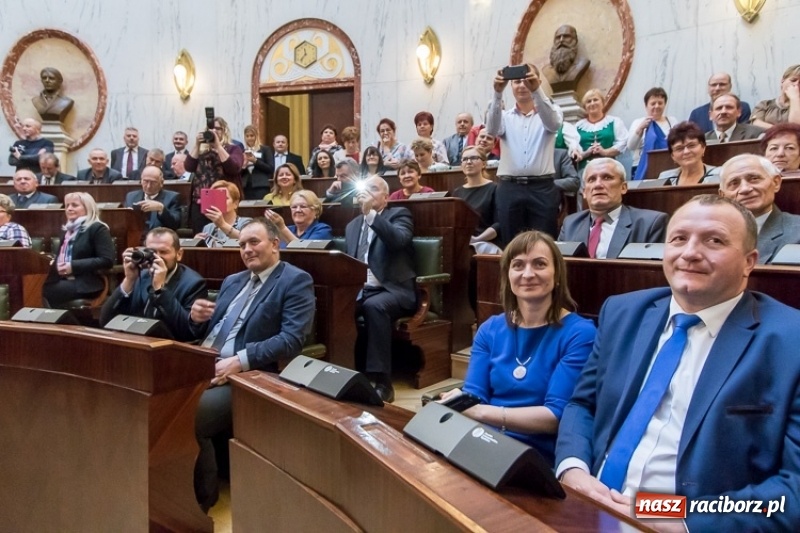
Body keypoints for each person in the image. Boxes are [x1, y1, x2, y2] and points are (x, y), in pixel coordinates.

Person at [555, 194, 800, 532]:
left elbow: (793, 489)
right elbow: (582, 404)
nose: (690, 253)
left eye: (714, 240)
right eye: (679, 239)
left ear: (749, 261)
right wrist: (573, 468)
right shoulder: (623, 313)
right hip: (587, 510)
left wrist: (677, 517)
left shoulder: (790, 340)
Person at [184, 218, 315, 511]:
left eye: (254, 242)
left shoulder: (295, 280)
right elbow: (208, 332)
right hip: (203, 361)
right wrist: (194, 319)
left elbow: (291, 340)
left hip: (251, 376)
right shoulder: (233, 281)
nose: (247, 249)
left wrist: (239, 361)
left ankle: (201, 503)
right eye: (242, 244)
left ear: (275, 244)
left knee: (190, 415)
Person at [441, 231, 595, 463]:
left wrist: (479, 411)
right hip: (484, 441)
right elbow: (475, 395)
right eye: (518, 265)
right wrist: (464, 404)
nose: (528, 274)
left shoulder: (580, 333)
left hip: (535, 453)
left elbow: (556, 417)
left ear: (557, 276)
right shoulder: (490, 329)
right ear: (508, 276)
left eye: (540, 264)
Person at [345, 176, 417, 403]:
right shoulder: (352, 225)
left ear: (386, 197)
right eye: (364, 189)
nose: (366, 193)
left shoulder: (399, 214)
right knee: (335, 306)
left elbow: (398, 240)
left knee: (374, 306)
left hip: (393, 290)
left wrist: (371, 216)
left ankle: (382, 382)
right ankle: (343, 371)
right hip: (360, 289)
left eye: (373, 189)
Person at [486, 62, 564, 243]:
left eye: (526, 80)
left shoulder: (552, 110)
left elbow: (553, 124)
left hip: (542, 188)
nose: (522, 85)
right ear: (511, 86)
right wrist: (497, 93)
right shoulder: (504, 116)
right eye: (516, 82)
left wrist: (536, 90)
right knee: (511, 244)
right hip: (509, 187)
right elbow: (491, 130)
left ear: (538, 80)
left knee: (544, 242)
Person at [99, 227, 207, 341]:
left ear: (179, 254)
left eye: (163, 252)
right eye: (152, 252)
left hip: (168, 349)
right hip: (134, 342)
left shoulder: (193, 283)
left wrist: (160, 289)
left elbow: (187, 333)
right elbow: (105, 320)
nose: (157, 257)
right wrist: (129, 280)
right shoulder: (141, 275)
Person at [559, 158, 668, 259]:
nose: (598, 185)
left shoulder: (651, 223)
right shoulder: (570, 224)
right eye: (591, 179)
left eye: (607, 177)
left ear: (623, 187)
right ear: (584, 192)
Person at [718, 154, 800, 264]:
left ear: (776, 182)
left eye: (754, 179)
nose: (745, 189)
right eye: (734, 183)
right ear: (723, 195)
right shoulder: (711, 233)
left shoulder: (797, 231)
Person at [42, 192, 115, 308]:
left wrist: (72, 266)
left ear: (88, 208)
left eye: (74, 205)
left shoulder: (97, 228)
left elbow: (107, 260)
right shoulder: (67, 230)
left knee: (44, 290)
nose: (69, 209)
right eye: (67, 206)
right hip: (62, 278)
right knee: (34, 285)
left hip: (87, 282)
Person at [185, 116, 244, 234]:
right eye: (210, 129)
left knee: (222, 233)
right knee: (202, 235)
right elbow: (188, 166)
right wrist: (197, 145)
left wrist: (218, 146)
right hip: (200, 199)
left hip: (223, 197)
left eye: (218, 129)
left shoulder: (233, 149)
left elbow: (234, 168)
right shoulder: (201, 149)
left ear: (224, 131)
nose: (214, 131)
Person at [453, 147, 501, 254]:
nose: (468, 162)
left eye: (473, 158)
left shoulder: (495, 189)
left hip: (487, 243)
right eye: (465, 159)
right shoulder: (457, 192)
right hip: (463, 244)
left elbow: (499, 224)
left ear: (483, 164)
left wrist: (478, 239)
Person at [627, 88, 677, 180]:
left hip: (668, 166)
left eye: (660, 103)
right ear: (646, 106)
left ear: (665, 104)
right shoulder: (638, 122)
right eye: (653, 103)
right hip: (640, 166)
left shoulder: (672, 121)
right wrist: (640, 129)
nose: (657, 106)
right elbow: (631, 147)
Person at [572, 89, 628, 170]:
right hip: (585, 170)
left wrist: (605, 152)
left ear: (603, 103)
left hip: (609, 167)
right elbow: (573, 148)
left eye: (595, 100)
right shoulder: (578, 126)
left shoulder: (614, 121)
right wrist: (586, 153)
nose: (592, 103)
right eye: (588, 101)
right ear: (585, 106)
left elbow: (623, 142)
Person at [264, 190, 333, 248]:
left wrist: (282, 228)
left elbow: (305, 253)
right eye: (294, 207)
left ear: (316, 211)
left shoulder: (323, 230)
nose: (298, 210)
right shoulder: (289, 229)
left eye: (303, 206)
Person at [124, 165, 182, 234]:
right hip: (135, 238)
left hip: (159, 238)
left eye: (153, 182)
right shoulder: (131, 196)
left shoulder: (172, 197)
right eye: (145, 181)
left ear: (161, 182)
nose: (148, 186)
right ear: (141, 180)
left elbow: (175, 224)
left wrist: (161, 208)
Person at [658, 121, 720, 186]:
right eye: (679, 148)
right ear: (672, 155)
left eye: (691, 145)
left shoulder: (719, 174)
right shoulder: (665, 177)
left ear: (703, 147)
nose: (686, 152)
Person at [688, 72, 752, 132]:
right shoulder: (696, 113)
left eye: (722, 84)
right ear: (708, 88)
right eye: (713, 85)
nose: (717, 88)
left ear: (730, 86)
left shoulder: (742, 107)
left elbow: (744, 132)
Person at [196, 180, 251, 247]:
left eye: (225, 198)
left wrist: (222, 225)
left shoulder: (246, 223)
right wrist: (197, 242)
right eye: (216, 198)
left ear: (235, 203)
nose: (220, 202)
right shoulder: (208, 228)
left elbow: (247, 240)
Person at [542, 24, 591, 93]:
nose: (561, 40)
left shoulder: (582, 64)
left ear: (575, 40)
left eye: (566, 37)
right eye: (558, 37)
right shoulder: (546, 69)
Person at [750, 64, 800, 128]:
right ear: (782, 81)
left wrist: (794, 98)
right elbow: (755, 123)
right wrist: (780, 130)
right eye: (793, 80)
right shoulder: (765, 104)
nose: (796, 85)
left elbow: (796, 128)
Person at [241, 124, 275, 200]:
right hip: (245, 186)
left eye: (252, 135)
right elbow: (238, 172)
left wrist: (255, 161)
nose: (249, 138)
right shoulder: (242, 151)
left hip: (261, 185)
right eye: (247, 136)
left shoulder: (265, 149)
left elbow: (270, 168)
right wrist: (244, 165)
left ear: (256, 136)